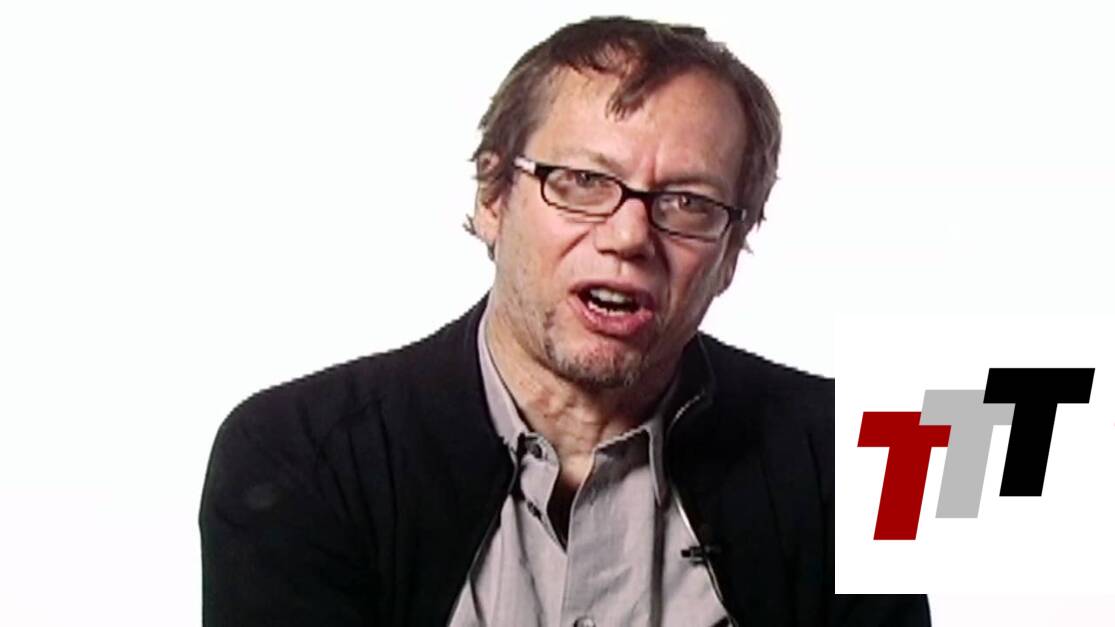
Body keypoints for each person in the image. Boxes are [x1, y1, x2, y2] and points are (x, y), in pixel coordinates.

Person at [199, 15, 931, 626]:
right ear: (493, 197)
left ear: (731, 251)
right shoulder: (298, 454)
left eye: (687, 202)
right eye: (581, 181)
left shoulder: (865, 455)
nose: (628, 236)